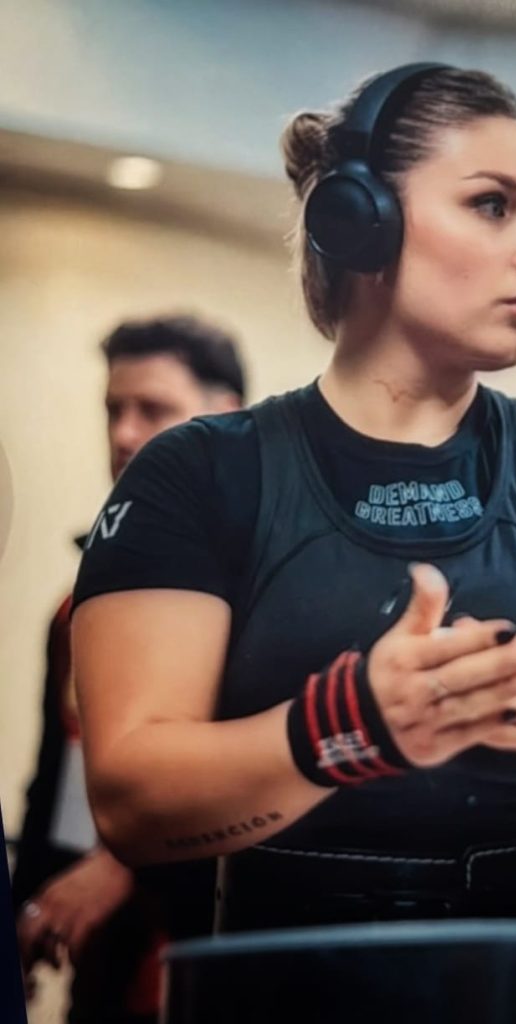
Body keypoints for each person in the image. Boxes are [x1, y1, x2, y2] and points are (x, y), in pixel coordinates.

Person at [71, 63, 516, 939]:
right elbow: (131, 804)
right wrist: (346, 727)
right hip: (289, 986)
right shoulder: (194, 474)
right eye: (492, 204)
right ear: (359, 221)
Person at [12, 314, 245, 1022]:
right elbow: (58, 779)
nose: (123, 432)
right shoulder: (74, 607)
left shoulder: (265, 588)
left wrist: (122, 866)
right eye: (113, 409)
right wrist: (24, 912)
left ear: (224, 417)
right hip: (103, 970)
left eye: (153, 409)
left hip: (216, 956)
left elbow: (263, 774)